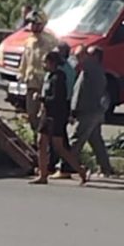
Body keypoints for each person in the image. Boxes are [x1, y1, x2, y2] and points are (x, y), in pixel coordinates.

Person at [30, 52, 86, 185]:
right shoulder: (49, 76)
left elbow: (57, 99)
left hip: (57, 116)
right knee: (41, 142)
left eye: (45, 62)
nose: (44, 65)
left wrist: (40, 98)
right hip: (47, 114)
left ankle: (80, 170)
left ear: (52, 62)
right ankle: (43, 175)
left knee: (59, 147)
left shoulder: (59, 78)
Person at [69, 46, 114, 176]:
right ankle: (105, 168)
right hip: (95, 110)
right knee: (95, 140)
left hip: (88, 111)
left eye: (87, 54)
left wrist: (73, 110)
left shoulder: (90, 69)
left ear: (94, 57)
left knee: (77, 139)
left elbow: (80, 93)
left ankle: (65, 166)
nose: (83, 58)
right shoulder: (97, 70)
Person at [18, 10, 58, 142]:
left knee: (44, 114)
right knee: (31, 113)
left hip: (44, 83)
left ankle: (45, 141)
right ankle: (36, 137)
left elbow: (54, 62)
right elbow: (25, 59)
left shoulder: (50, 41)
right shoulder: (29, 41)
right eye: (31, 24)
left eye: (36, 24)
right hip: (31, 82)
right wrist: (21, 74)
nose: (33, 27)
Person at [49, 42, 77, 179]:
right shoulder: (67, 69)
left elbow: (62, 92)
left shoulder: (62, 71)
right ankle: (51, 165)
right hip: (62, 104)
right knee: (54, 136)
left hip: (59, 105)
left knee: (60, 138)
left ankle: (67, 166)